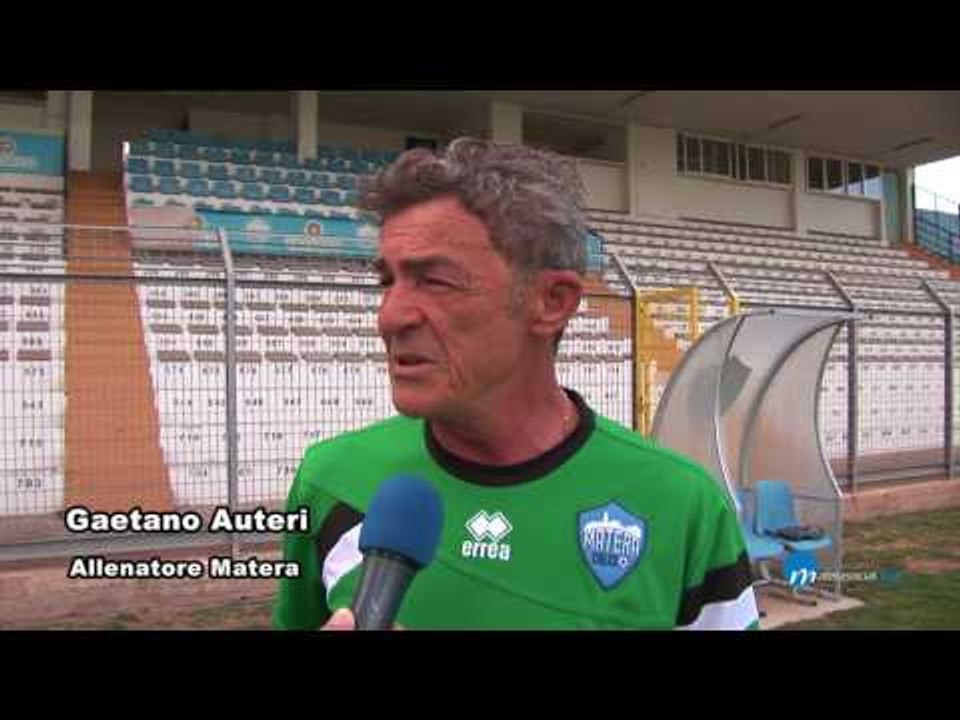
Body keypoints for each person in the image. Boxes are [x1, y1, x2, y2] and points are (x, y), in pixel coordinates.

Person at [273, 137, 759, 630]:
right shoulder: (330, 481)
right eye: (387, 282)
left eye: (435, 281)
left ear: (551, 301)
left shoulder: (684, 506)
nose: (390, 316)